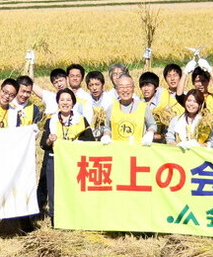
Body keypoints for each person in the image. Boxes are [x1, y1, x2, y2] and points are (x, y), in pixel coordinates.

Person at [39, 88, 95, 219]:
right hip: (54, 161)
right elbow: (43, 144)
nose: (65, 103)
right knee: (54, 193)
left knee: (72, 192)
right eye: (62, 100)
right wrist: (49, 140)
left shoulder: (81, 120)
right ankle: (55, 220)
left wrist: (76, 144)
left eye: (68, 100)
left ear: (73, 103)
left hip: (75, 162)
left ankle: (73, 219)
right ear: (58, 103)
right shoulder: (50, 120)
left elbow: (91, 141)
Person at [101, 75, 157, 144]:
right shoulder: (111, 108)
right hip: (117, 150)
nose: (125, 90)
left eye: (128, 87)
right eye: (121, 87)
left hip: (138, 151)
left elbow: (152, 125)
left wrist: (150, 133)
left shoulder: (143, 107)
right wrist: (106, 135)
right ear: (117, 89)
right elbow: (107, 127)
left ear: (133, 88)